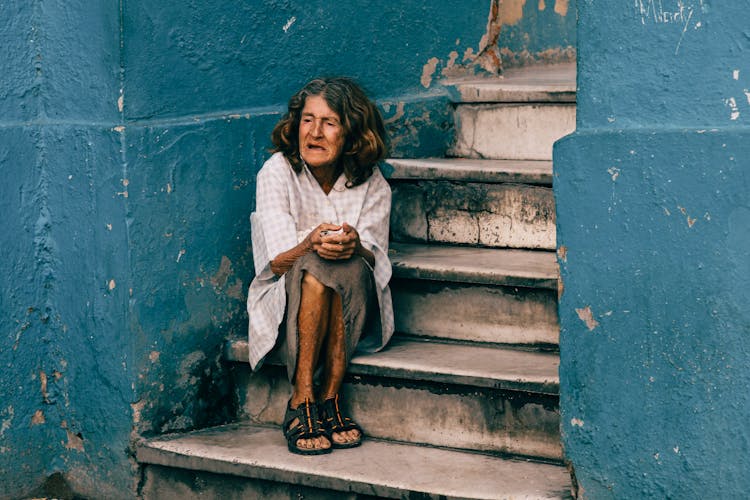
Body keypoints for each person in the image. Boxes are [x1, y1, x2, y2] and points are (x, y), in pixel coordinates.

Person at [246, 77, 394, 455]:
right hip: (287, 299)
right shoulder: (277, 172)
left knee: (344, 264)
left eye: (329, 122)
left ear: (351, 133)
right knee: (313, 269)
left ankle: (328, 396)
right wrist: (310, 243)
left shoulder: (371, 182)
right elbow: (276, 263)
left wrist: (356, 244)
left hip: (351, 302)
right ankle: (305, 397)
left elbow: (376, 259)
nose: (314, 133)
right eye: (307, 120)